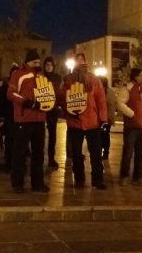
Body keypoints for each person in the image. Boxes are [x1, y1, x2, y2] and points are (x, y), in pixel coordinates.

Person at [62, 53, 107, 189]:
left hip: (92, 121)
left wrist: (103, 119)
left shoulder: (93, 79)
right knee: (76, 153)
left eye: (82, 59)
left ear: (86, 61)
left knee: (95, 153)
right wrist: (69, 110)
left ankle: (97, 180)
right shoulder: (68, 79)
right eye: (78, 60)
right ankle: (79, 179)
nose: (80, 62)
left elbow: (101, 100)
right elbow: (63, 98)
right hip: (75, 122)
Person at [7, 49, 49, 193]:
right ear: (29, 62)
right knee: (20, 152)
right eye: (35, 62)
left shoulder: (42, 76)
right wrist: (27, 103)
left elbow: (48, 94)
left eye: (39, 62)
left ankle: (37, 183)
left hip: (39, 119)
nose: (38, 64)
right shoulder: (18, 74)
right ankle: (17, 183)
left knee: (38, 153)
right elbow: (11, 93)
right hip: (24, 119)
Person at [116, 68, 142, 186]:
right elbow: (120, 103)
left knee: (141, 153)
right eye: (141, 75)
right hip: (132, 126)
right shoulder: (127, 88)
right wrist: (132, 114)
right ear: (135, 76)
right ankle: (124, 175)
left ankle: (138, 176)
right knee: (128, 152)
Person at [43, 57, 62, 168]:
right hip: (41, 108)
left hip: (53, 108)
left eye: (50, 65)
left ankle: (51, 157)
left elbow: (58, 92)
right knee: (39, 134)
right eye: (46, 65)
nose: (49, 67)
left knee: (52, 135)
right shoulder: (41, 76)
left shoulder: (57, 77)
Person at [98, 76, 116, 160]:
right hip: (102, 118)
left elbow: (111, 105)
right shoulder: (110, 91)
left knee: (104, 135)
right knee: (102, 135)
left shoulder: (108, 92)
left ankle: (105, 152)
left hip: (106, 118)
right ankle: (103, 152)